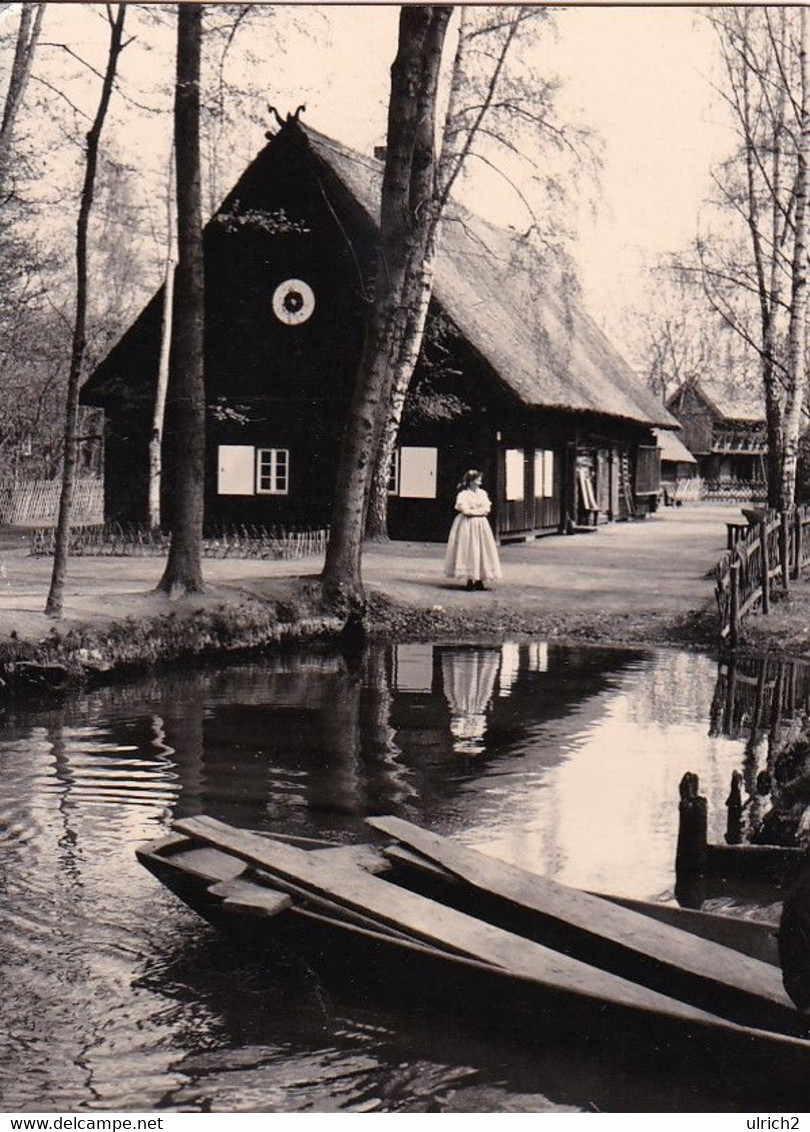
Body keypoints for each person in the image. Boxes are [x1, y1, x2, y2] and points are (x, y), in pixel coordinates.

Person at [444, 469, 502, 590]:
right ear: (471, 481)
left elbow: (486, 508)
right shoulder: (463, 495)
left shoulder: (482, 493)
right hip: (467, 524)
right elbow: (464, 509)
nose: (480, 481)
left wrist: (478, 512)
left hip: (481, 524)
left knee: (482, 549)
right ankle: (470, 579)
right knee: (469, 549)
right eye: (477, 479)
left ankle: (480, 578)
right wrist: (475, 511)